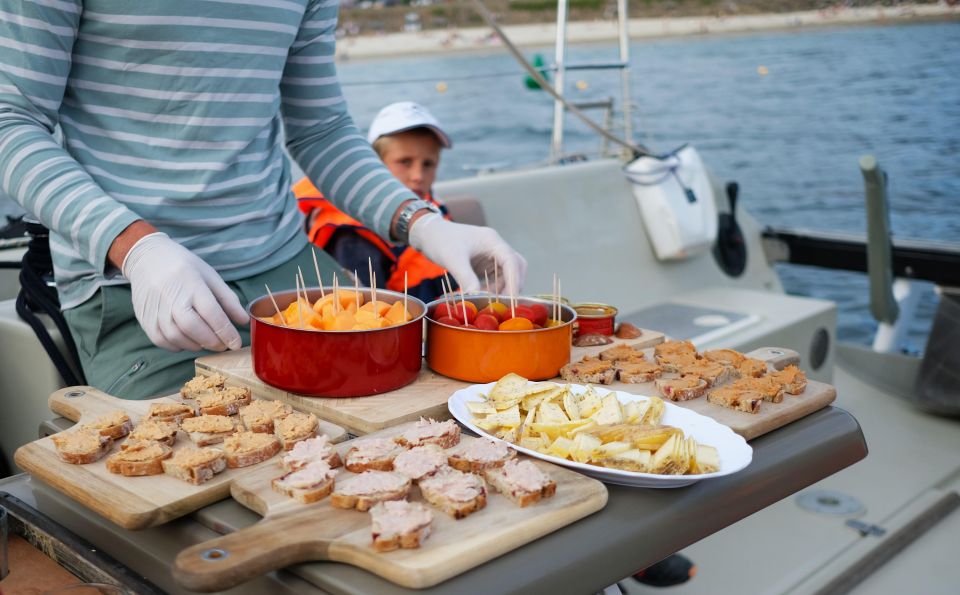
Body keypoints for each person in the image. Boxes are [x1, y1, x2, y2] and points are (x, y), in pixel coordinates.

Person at [0, 2, 526, 399]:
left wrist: (425, 224)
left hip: (287, 265)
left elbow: (320, 129)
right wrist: (137, 248)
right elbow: (10, 119)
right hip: (132, 285)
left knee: (415, 415)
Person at [294, 101, 452, 302]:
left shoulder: (432, 205)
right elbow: (370, 318)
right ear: (374, 166)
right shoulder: (352, 242)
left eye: (428, 164)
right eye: (405, 162)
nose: (418, 176)